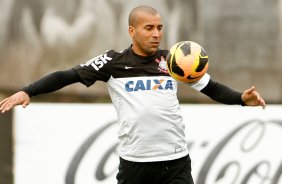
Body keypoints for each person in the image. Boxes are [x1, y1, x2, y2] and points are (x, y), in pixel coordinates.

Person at [0, 5, 265, 184]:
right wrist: (28, 90)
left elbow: (211, 87)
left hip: (175, 163)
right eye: (149, 28)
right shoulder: (112, 62)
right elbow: (66, 76)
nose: (156, 34)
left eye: (159, 28)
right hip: (135, 164)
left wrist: (241, 99)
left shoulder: (173, 61)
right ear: (132, 31)